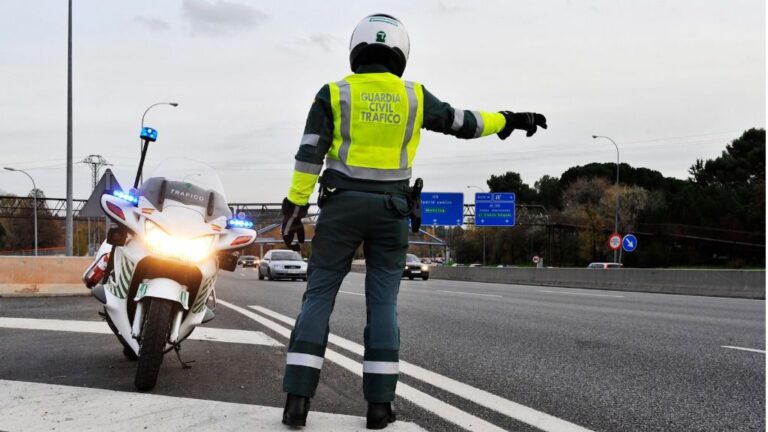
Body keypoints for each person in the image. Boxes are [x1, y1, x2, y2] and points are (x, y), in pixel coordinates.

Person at [279, 13, 547, 429]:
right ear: (400, 53)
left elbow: (310, 153)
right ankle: (380, 407)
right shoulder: (414, 96)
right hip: (391, 213)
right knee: (382, 305)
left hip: (340, 209)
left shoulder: (334, 93)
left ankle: (297, 401)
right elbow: (464, 122)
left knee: (318, 298)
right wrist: (510, 119)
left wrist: (294, 209)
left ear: (356, 50)